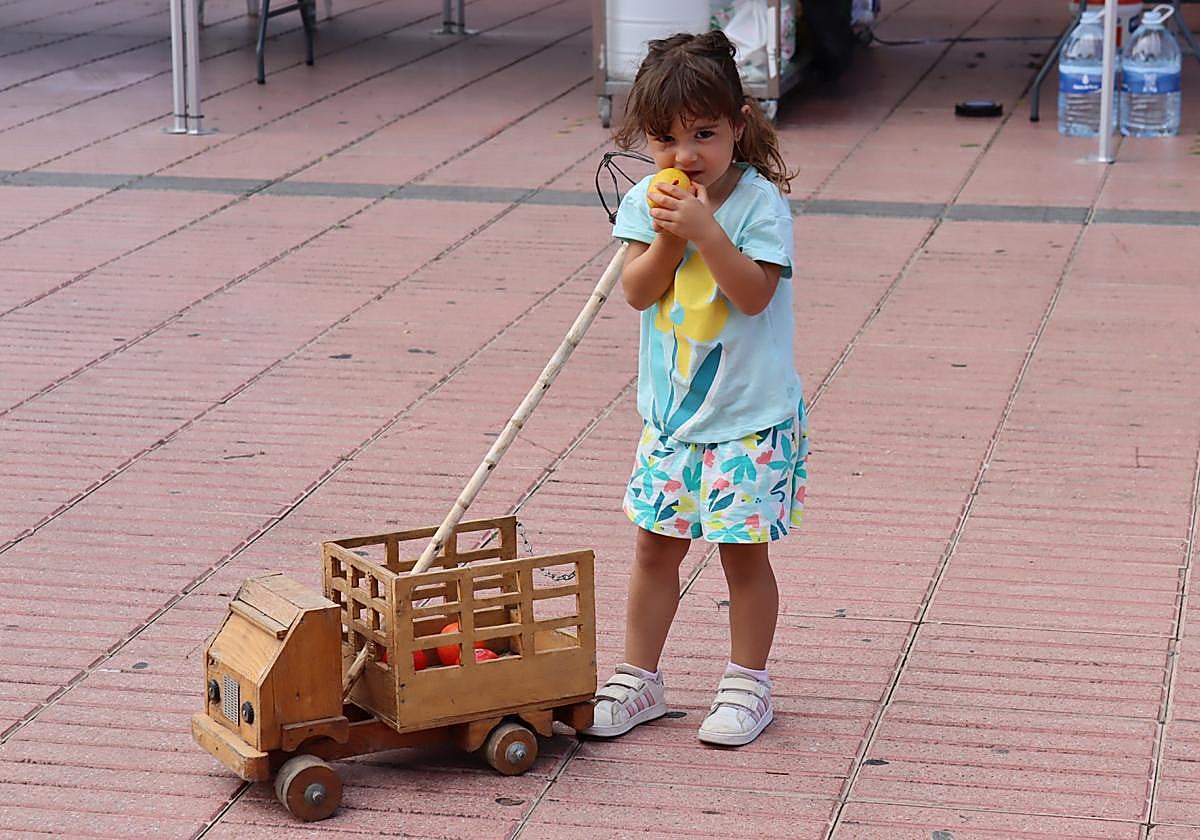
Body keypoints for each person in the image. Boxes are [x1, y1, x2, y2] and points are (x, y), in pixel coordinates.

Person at [580, 30, 808, 748]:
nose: (686, 156)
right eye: (666, 139)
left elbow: (752, 295)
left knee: (743, 553)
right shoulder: (649, 202)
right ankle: (638, 677)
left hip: (748, 417)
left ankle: (747, 684)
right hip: (674, 418)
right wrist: (670, 238)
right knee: (654, 547)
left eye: (704, 134)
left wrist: (707, 232)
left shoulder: (759, 204)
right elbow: (638, 292)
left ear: (739, 125)